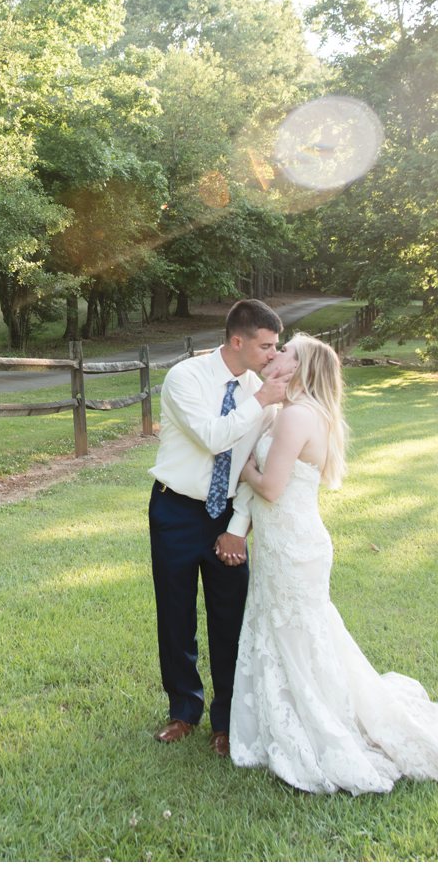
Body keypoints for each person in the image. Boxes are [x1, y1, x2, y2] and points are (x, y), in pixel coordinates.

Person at [229, 333, 438, 794]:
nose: (278, 355)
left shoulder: (298, 416)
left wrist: (241, 468)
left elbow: (272, 487)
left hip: (293, 547)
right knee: (294, 634)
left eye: (287, 353)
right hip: (288, 544)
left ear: (302, 368)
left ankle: (315, 724)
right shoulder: (299, 412)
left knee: (296, 635)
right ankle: (281, 715)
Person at [148, 299, 293, 756]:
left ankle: (227, 721)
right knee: (175, 616)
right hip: (174, 511)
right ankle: (183, 710)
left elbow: (256, 464)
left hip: (227, 516)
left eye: (276, 346)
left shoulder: (260, 394)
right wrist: (259, 400)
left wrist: (239, 525)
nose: (273, 355)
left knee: (230, 620)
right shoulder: (185, 378)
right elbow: (213, 437)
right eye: (266, 346)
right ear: (237, 341)